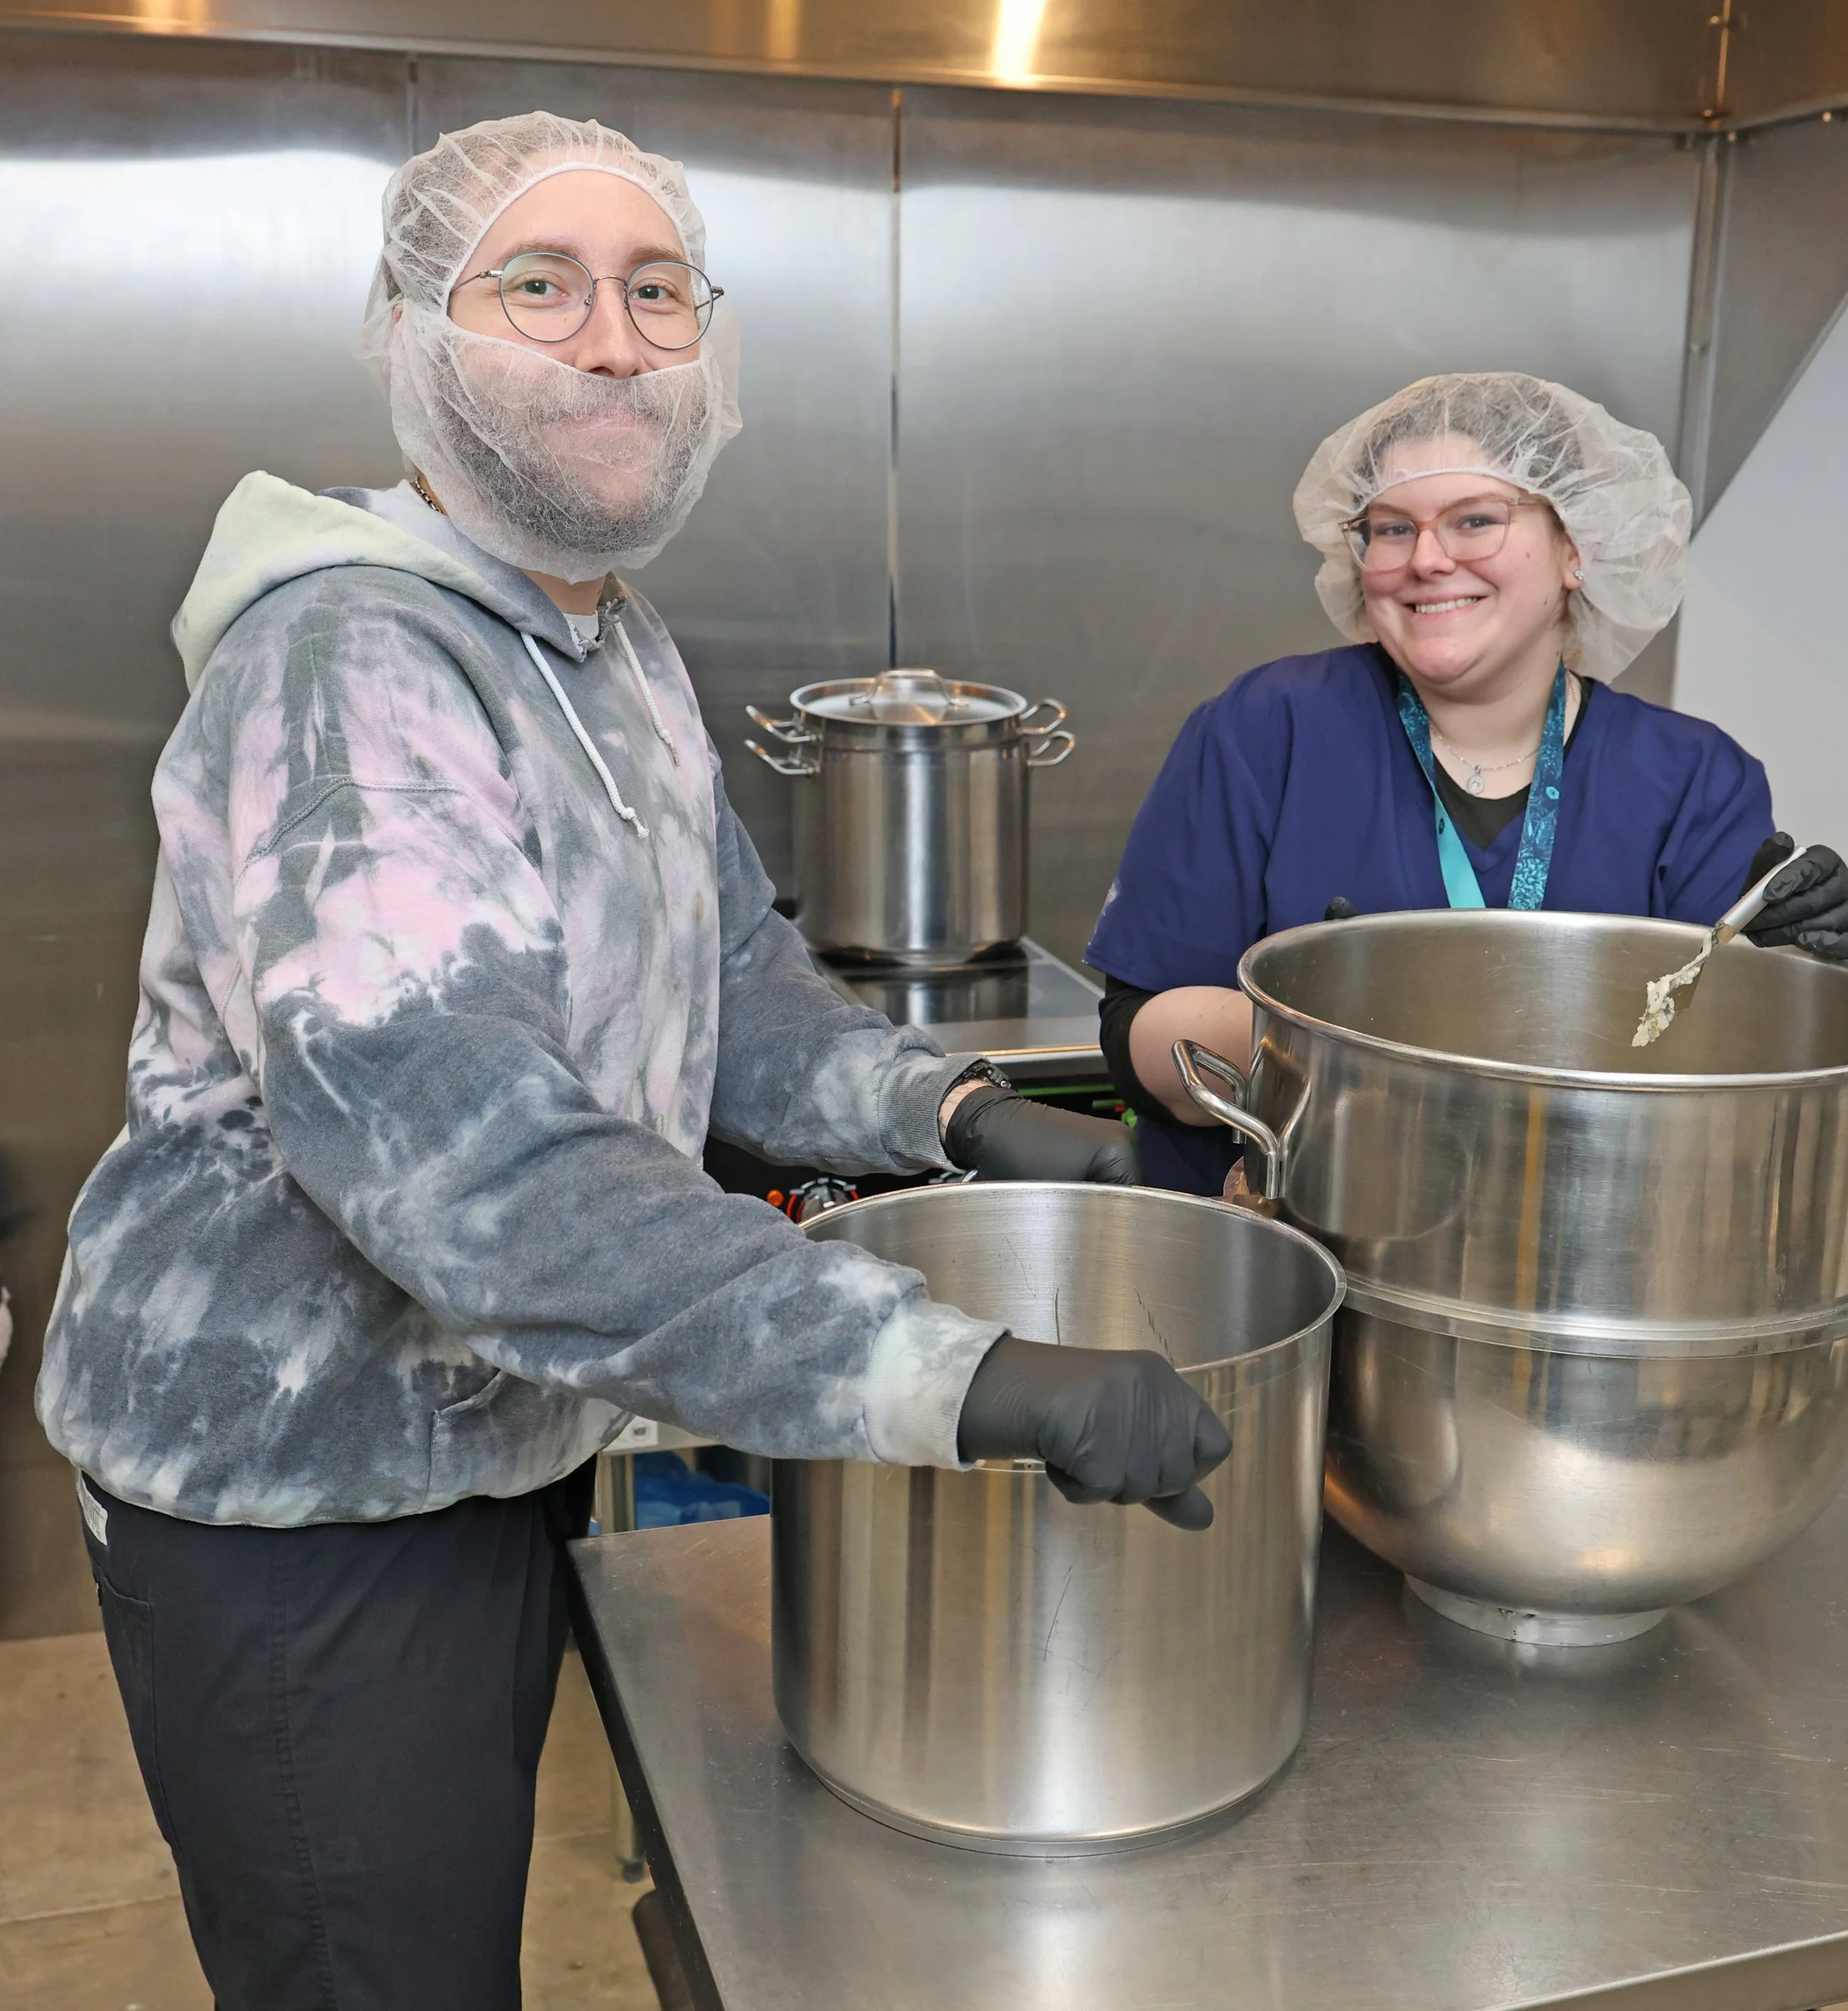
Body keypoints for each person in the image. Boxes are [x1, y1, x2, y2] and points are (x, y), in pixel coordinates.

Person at [37, 113, 1228, 2011]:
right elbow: (478, 1175)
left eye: (656, 290)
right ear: (423, 334)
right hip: (298, 1494)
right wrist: (961, 1376)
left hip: (486, 1437)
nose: (611, 339)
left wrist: (961, 1111)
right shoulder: (356, 664)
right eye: (541, 282)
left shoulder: (604, 646)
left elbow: (729, 969)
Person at [1087, 372, 1848, 1193]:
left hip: (1580, 1268)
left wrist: (1805, 970)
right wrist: (1313, 1037)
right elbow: (1134, 1041)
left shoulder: (1690, 781)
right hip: (1287, 1262)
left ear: (1577, 547)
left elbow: (1738, 1096)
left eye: (1474, 520)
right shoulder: (1269, 728)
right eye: (1390, 528)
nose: (1426, 559)